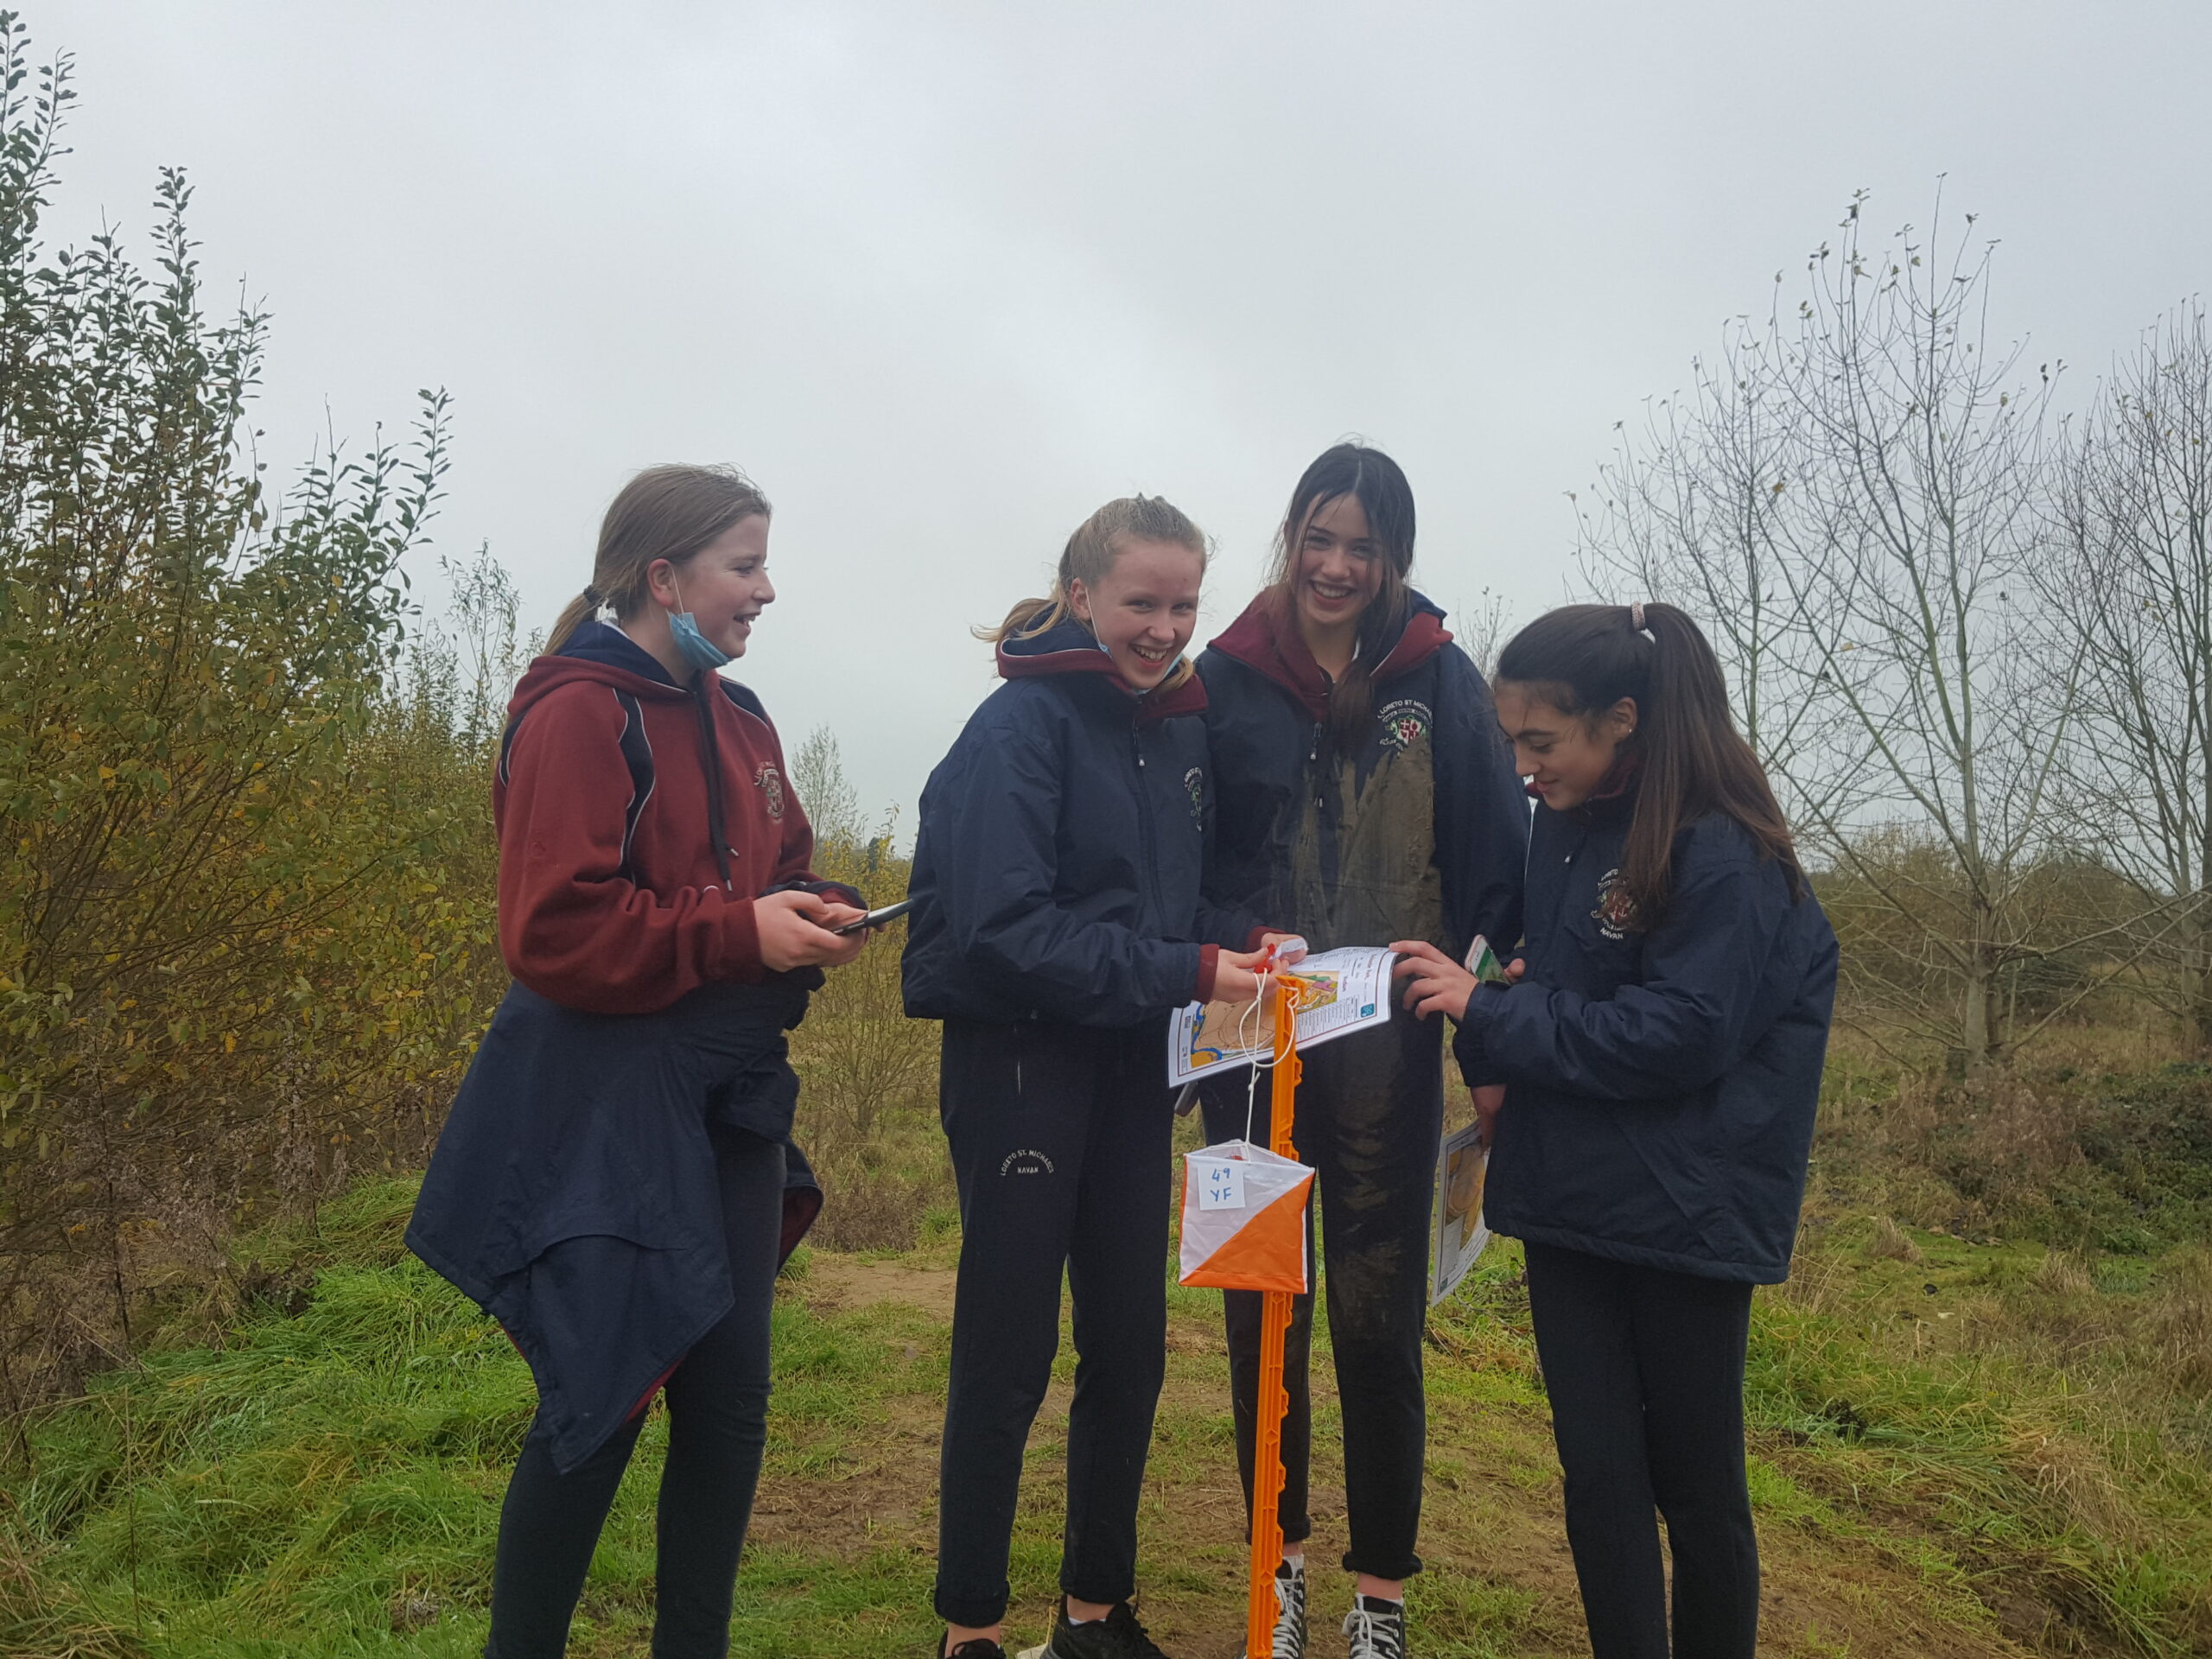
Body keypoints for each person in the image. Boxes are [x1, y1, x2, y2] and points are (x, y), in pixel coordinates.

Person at [406, 464, 871, 1659]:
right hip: (601, 1106)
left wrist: (817, 909)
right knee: (599, 1400)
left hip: (727, 1105)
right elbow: (552, 932)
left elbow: (774, 870)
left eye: (765, 564)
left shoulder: (747, 719)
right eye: (744, 566)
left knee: (729, 1407)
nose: (766, 590)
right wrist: (738, 931)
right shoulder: (576, 713)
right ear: (663, 578)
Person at [1392, 601, 1838, 1659]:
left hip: (1687, 1210)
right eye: (1510, 743)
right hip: (1567, 1197)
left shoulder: (1724, 850)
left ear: (1622, 719)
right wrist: (1496, 1033)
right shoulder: (1567, 824)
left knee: (1695, 1486)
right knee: (1597, 1479)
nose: (1522, 767)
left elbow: (1684, 1034)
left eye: (1538, 743)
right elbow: (1557, 977)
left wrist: (1492, 1012)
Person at [903, 496, 1282, 1659]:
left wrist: (1247, 948)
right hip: (1020, 1060)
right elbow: (1006, 930)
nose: (1164, 628)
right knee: (1008, 1352)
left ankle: (1094, 1616)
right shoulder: (1016, 730)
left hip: (1133, 1065)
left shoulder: (1174, 733)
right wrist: (1189, 964)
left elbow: (1169, 908)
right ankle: (971, 1627)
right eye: (1140, 603)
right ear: (1082, 595)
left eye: (1182, 605)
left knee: (1130, 1343)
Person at [1197, 442, 1527, 1659]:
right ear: (1291, 537)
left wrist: (1479, 997)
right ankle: (1272, 1573)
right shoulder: (1224, 676)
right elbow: (1188, 861)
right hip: (1246, 1045)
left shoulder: (1438, 682)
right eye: (1319, 539)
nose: (1338, 566)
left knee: (1377, 1325)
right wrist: (1232, 941)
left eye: (1364, 545)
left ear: (1396, 557)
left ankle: (1378, 1595)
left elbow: (1500, 861)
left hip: (1388, 1053)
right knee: (1262, 1316)